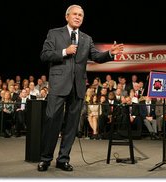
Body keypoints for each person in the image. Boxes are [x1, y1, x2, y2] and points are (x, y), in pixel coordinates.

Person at [38, 4, 124, 172]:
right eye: (75, 14)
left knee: (71, 126)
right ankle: (45, 159)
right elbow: (44, 55)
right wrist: (64, 51)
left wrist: (110, 53)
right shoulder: (54, 33)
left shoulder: (86, 38)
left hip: (78, 87)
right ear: (67, 16)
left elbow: (97, 57)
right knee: (52, 122)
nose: (78, 17)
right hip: (58, 85)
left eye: (81, 15)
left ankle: (63, 159)